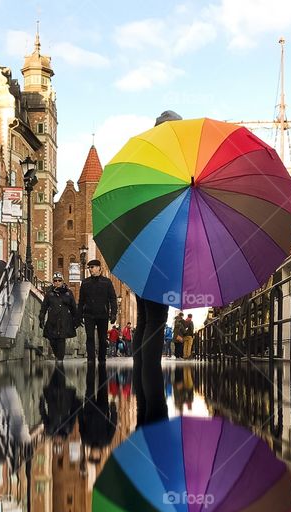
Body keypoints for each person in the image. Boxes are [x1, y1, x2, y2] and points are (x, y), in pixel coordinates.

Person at [132, 109, 182, 379]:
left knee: (144, 317)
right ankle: (150, 377)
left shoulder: (143, 157)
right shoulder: (175, 163)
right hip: (161, 251)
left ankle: (141, 375)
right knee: (156, 319)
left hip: (138, 249)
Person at [77, 259, 118, 365]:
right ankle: (90, 359)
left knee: (102, 338)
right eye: (89, 267)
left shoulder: (106, 282)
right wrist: (79, 315)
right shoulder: (85, 282)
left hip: (102, 314)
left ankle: (102, 358)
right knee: (89, 337)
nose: (91, 269)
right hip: (89, 314)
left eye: (93, 267)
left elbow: (113, 298)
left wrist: (113, 313)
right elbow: (81, 300)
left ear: (99, 268)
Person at [39, 272, 79, 363]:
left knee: (61, 339)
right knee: (51, 338)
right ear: (53, 282)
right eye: (55, 281)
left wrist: (76, 319)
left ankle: (59, 359)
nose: (57, 282)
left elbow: (73, 307)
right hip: (52, 319)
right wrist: (41, 317)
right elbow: (44, 306)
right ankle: (58, 356)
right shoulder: (49, 293)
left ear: (62, 281)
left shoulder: (68, 293)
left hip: (64, 320)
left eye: (59, 280)